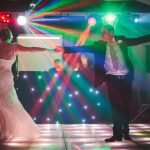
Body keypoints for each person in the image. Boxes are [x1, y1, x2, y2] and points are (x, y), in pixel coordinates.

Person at [55, 24, 150, 142]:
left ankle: (126, 131)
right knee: (115, 108)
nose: (102, 35)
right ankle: (117, 134)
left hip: (126, 79)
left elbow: (138, 40)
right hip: (112, 80)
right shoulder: (98, 45)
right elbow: (84, 48)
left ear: (111, 33)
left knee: (126, 107)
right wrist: (65, 49)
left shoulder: (122, 40)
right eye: (102, 33)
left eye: (104, 32)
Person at [0, 28, 50, 143]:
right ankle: (7, 131)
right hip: (5, 79)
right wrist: (47, 49)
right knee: (10, 105)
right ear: (10, 36)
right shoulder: (13, 47)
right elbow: (31, 50)